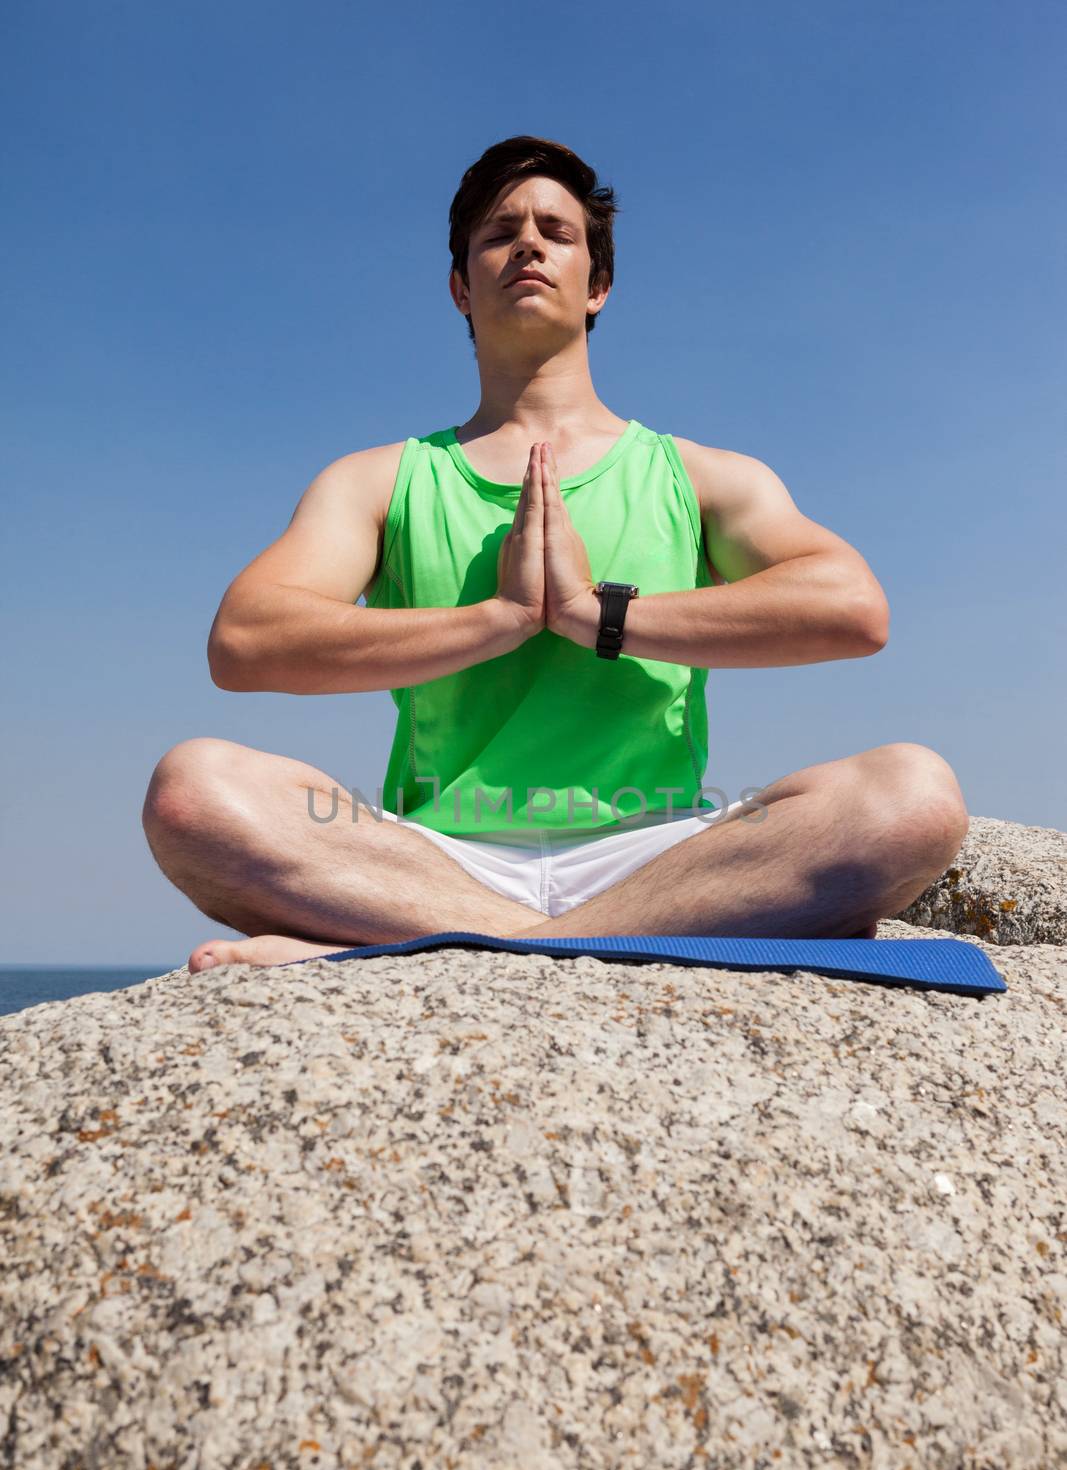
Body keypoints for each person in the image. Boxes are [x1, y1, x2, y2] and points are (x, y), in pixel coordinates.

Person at [142, 135, 969, 974]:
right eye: (499, 233)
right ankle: (574, 940)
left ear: (597, 284)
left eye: (556, 231)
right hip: (430, 859)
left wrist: (594, 615)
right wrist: (496, 620)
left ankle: (441, 945)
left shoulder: (699, 474)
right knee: (195, 788)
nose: (528, 243)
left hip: (659, 856)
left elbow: (851, 608)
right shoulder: (378, 481)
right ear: (462, 288)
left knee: (911, 795)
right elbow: (244, 641)